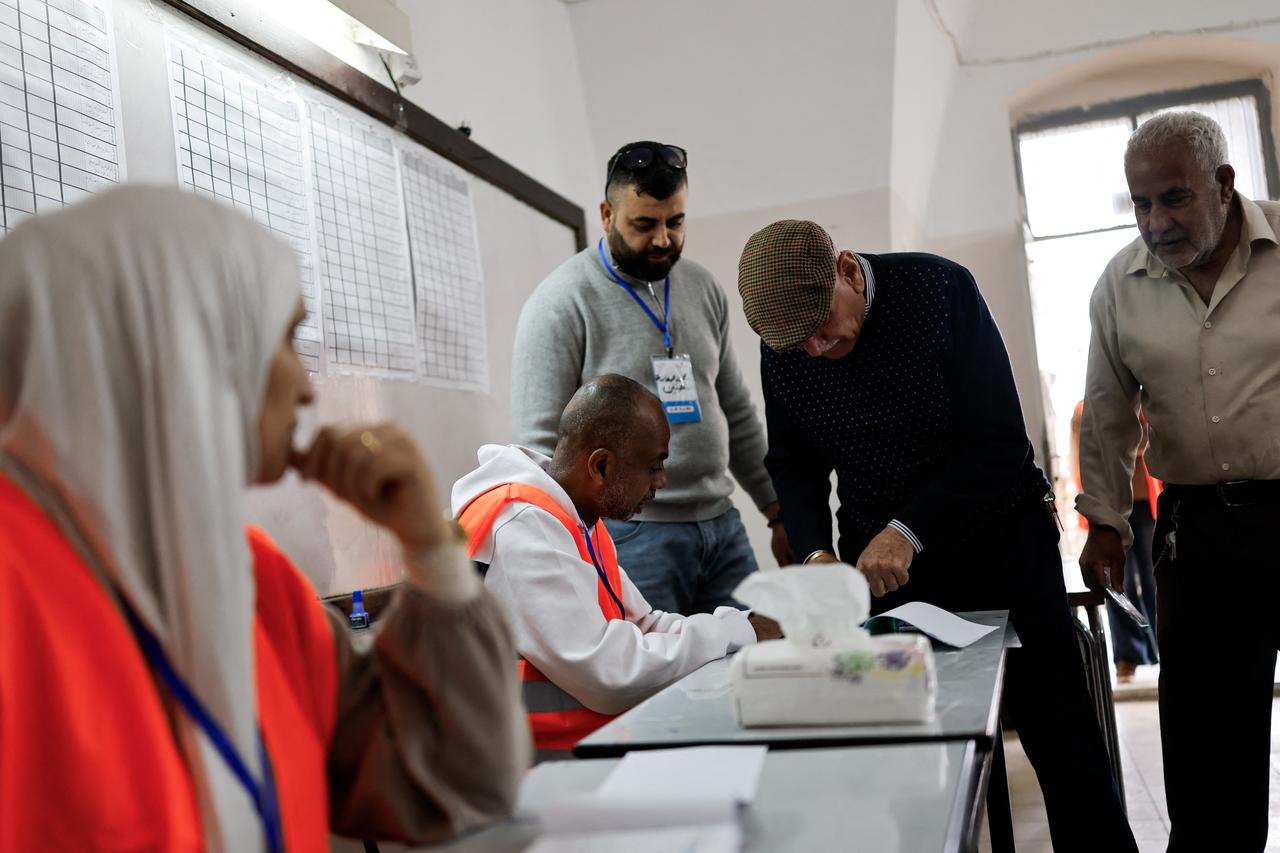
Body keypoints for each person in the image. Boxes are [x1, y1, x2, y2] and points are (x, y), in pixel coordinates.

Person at [0, 187, 528, 851]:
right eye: (282, 337)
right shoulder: (13, 583)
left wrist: (432, 552)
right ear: (183, 347)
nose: (305, 386)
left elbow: (457, 784)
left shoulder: (253, 581)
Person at [736, 219, 1137, 851]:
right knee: (908, 752)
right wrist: (814, 551)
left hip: (1000, 538)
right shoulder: (785, 342)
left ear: (845, 268)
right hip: (883, 566)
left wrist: (910, 529)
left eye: (821, 327)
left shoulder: (937, 289)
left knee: (1062, 739)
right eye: (796, 344)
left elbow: (999, 440)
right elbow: (794, 461)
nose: (813, 349)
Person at [1076, 110, 1280, 852]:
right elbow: (1106, 414)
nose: (1155, 221)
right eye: (1140, 203)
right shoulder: (1121, 285)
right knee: (1206, 754)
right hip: (1199, 535)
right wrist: (1105, 520)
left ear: (1224, 184)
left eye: (1173, 197)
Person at [510, 141, 791, 615]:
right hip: (631, 535)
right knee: (657, 683)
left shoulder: (703, 288)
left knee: (754, 666)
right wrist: (575, 547)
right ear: (606, 214)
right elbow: (539, 445)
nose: (663, 239)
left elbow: (737, 411)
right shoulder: (561, 302)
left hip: (721, 525)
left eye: (675, 222)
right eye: (644, 224)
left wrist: (775, 509)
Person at [453, 375, 772, 761]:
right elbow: (610, 674)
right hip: (520, 767)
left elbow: (643, 624)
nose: (662, 481)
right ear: (601, 465)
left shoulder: (575, 519)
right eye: (653, 466)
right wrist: (737, 631)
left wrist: (744, 625)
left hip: (570, 754)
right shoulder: (523, 527)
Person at [1070, 402, 1159, 682]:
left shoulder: (1147, 401)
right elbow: (1082, 457)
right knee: (1115, 583)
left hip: (1148, 502)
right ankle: (1128, 655)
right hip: (1111, 509)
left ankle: (1161, 647)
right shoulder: (1084, 411)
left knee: (1155, 579)